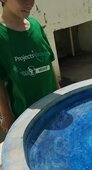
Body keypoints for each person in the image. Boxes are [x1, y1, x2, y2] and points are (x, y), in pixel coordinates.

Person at [0, 0, 59, 134]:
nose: (29, 4)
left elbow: (48, 63)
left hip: (52, 105)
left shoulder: (36, 26)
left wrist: (60, 93)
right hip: (25, 114)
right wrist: (6, 115)